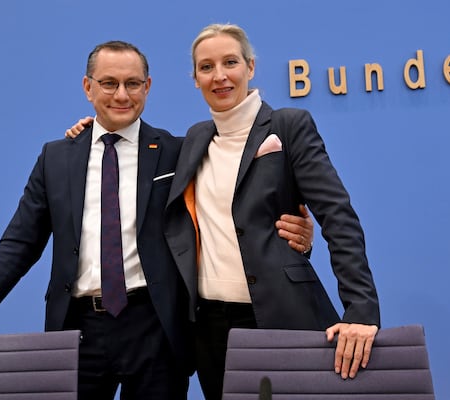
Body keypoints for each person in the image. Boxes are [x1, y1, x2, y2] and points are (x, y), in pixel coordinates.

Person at [0, 40, 313, 400]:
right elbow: (17, 246)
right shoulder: (57, 157)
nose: (122, 95)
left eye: (133, 84)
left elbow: (226, 208)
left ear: (148, 87)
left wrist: (297, 234)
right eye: (108, 83)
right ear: (88, 88)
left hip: (155, 330)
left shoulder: (180, 151)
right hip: (78, 331)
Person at [161, 23, 381, 400]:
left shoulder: (289, 126)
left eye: (230, 62)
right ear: (195, 79)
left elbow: (338, 216)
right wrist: (88, 133)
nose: (219, 76)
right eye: (206, 67)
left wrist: (360, 309)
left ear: (250, 67)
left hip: (281, 316)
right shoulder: (194, 138)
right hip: (210, 328)